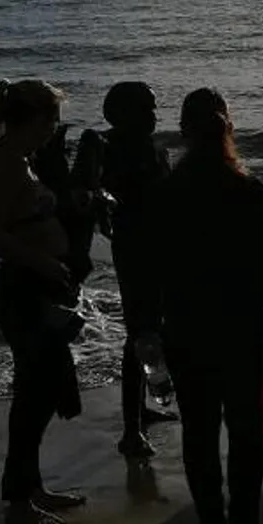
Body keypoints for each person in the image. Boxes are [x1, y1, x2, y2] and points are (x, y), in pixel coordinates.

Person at [158, 88, 263, 524]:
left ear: (184, 131)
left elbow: (154, 270)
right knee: (244, 433)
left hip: (187, 326)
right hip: (243, 325)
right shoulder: (248, 191)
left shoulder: (168, 193)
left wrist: (149, 328)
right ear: (228, 129)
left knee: (198, 432)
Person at [0, 78, 89, 524]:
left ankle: (31, 488)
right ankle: (18, 503)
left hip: (40, 288)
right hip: (24, 291)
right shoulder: (5, 162)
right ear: (32, 118)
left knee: (41, 393)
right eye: (50, 118)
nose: (53, 127)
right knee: (33, 396)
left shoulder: (20, 159)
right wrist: (41, 261)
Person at [72, 81, 178, 460]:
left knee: (155, 330)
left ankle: (142, 410)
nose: (154, 115)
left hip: (162, 249)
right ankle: (131, 431)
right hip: (134, 252)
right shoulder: (102, 145)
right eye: (146, 108)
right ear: (122, 113)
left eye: (153, 108)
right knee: (140, 334)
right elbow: (83, 188)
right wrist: (99, 200)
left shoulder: (155, 149)